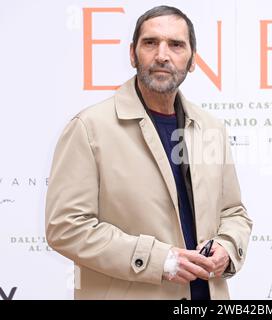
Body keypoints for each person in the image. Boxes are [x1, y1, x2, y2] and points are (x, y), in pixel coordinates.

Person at [45, 5, 252, 300]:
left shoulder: (211, 128)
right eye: (150, 43)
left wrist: (228, 247)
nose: (162, 55)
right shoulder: (89, 128)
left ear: (192, 60)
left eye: (176, 45)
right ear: (132, 54)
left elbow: (233, 212)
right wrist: (160, 261)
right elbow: (66, 228)